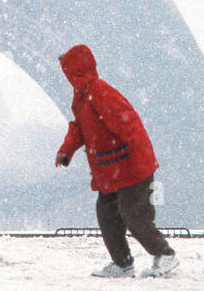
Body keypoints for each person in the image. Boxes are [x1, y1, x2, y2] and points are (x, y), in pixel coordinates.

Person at [54, 43, 179, 277]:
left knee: (134, 213)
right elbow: (79, 128)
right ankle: (123, 264)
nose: (66, 77)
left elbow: (128, 123)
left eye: (67, 71)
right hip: (111, 169)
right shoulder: (81, 98)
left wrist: (137, 157)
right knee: (107, 215)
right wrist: (66, 150)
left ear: (74, 70)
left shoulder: (99, 91)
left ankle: (165, 254)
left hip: (130, 166)